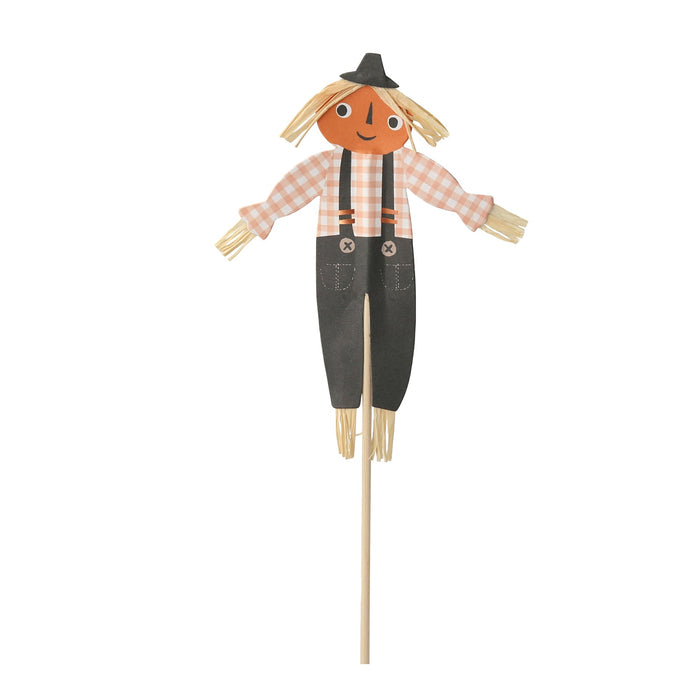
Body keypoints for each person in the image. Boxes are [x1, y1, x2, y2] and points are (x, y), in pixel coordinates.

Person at [216, 54, 527, 460]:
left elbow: (439, 187)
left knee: (394, 322)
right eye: (347, 112)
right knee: (340, 325)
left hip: (391, 252)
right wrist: (262, 216)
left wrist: (472, 209)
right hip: (338, 250)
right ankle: (346, 403)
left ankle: (383, 404)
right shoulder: (329, 164)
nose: (366, 125)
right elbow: (293, 189)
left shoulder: (402, 163)